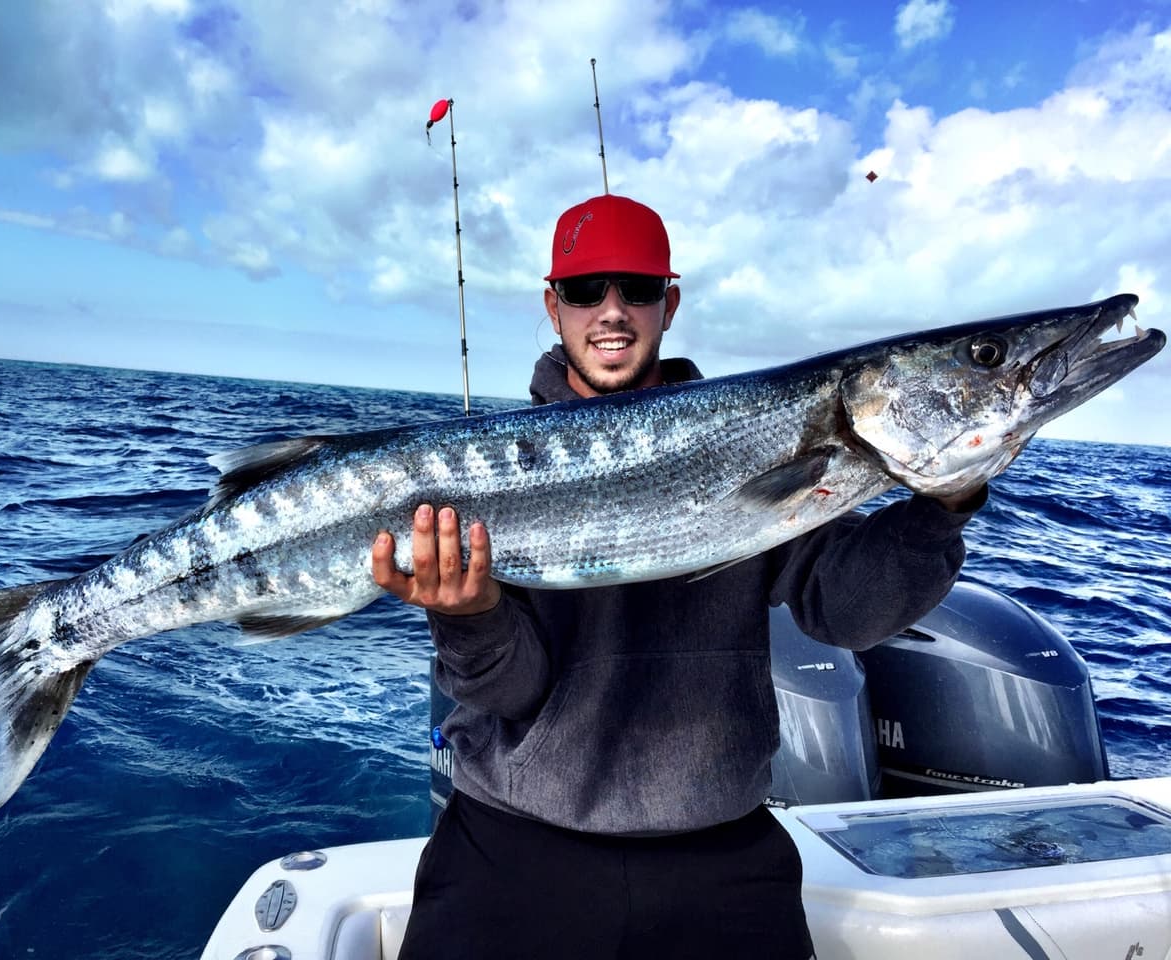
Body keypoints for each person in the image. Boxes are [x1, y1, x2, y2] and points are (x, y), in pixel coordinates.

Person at [371, 194, 987, 959]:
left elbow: (848, 614)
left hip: (719, 853)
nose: (611, 311)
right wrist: (469, 615)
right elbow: (509, 692)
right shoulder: (493, 473)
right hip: (513, 845)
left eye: (635, 288)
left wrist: (946, 502)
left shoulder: (763, 435)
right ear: (552, 306)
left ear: (670, 302)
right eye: (584, 290)